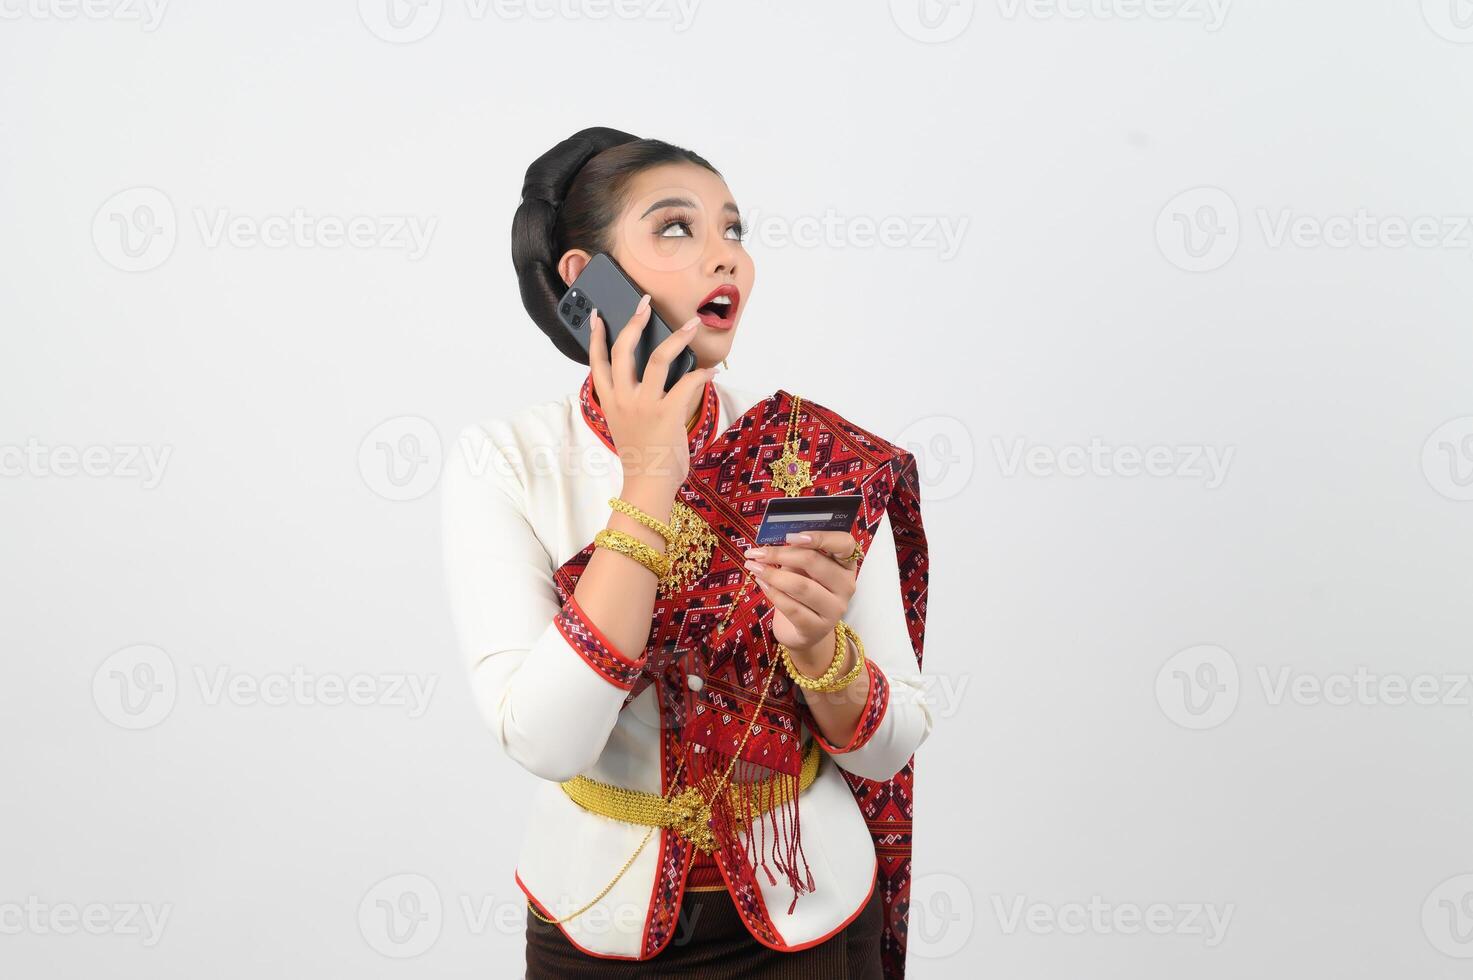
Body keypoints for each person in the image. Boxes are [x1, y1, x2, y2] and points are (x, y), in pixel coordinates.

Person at [440, 127, 933, 978]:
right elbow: (549, 742)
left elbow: (891, 745)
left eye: (733, 231)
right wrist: (650, 480)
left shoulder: (817, 453)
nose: (726, 259)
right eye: (676, 229)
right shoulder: (505, 461)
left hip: (810, 916)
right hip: (594, 919)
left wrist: (821, 651)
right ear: (585, 279)